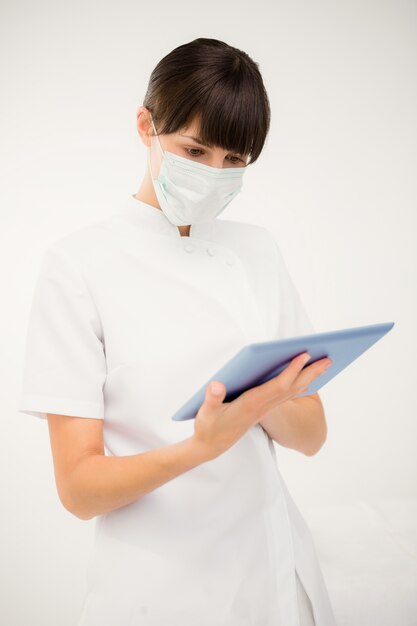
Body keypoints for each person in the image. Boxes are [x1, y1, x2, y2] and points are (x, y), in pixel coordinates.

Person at [18, 38, 337, 626]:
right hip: (156, 594)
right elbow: (79, 488)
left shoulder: (257, 251)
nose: (214, 174)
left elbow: (312, 435)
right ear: (146, 125)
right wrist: (202, 447)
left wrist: (258, 398)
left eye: (235, 161)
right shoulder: (79, 265)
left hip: (275, 576)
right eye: (194, 149)